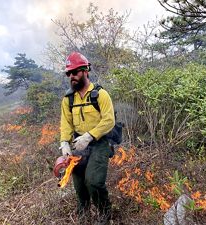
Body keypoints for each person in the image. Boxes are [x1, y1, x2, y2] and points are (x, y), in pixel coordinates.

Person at [59, 51, 115, 225]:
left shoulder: (100, 95)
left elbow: (109, 120)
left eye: (75, 72)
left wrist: (90, 136)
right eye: (69, 73)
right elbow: (66, 123)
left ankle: (105, 214)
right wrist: (64, 144)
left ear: (85, 71)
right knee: (80, 184)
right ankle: (83, 214)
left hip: (99, 143)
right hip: (78, 146)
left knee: (94, 182)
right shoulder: (68, 99)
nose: (72, 77)